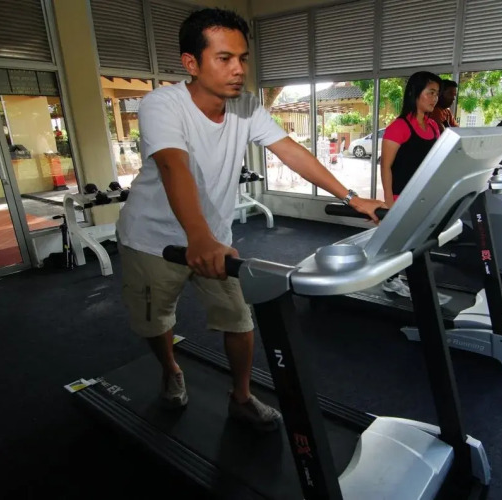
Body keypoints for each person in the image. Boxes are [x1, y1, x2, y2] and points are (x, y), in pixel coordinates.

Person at [115, 8, 385, 431]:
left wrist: (352, 198)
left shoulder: (245, 106)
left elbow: (290, 151)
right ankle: (171, 369)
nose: (239, 69)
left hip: (215, 239)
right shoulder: (162, 105)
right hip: (152, 240)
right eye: (224, 58)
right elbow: (172, 166)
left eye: (242, 58)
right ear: (191, 63)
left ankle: (241, 397)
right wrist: (198, 237)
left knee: (239, 320)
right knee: (155, 321)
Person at [379, 72, 450, 305]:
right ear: (414, 93)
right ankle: (393, 281)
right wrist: (389, 204)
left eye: (437, 94)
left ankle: (410, 285)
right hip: (401, 196)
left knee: (418, 244)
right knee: (403, 245)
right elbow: (386, 167)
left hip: (423, 197)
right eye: (430, 92)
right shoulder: (399, 127)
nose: (435, 98)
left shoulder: (433, 126)